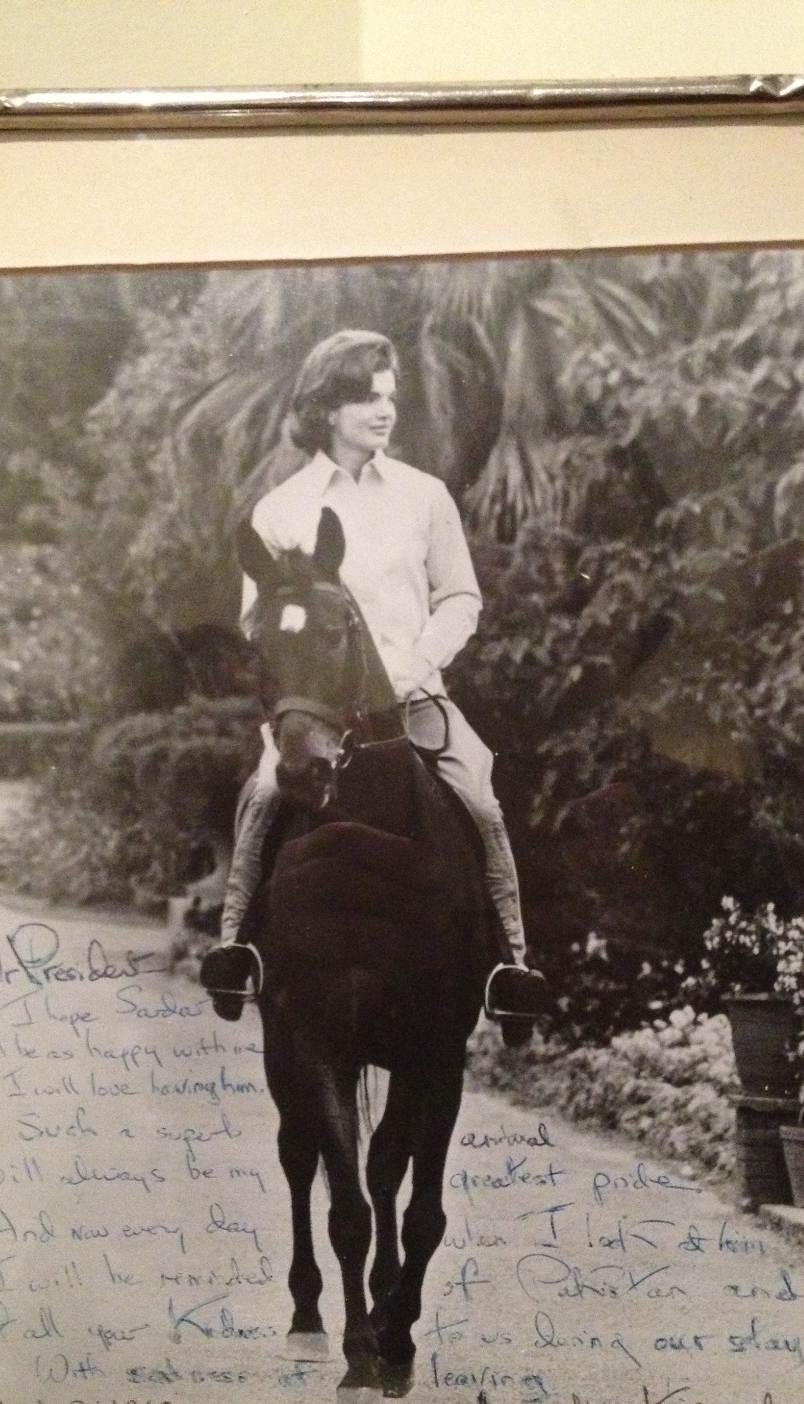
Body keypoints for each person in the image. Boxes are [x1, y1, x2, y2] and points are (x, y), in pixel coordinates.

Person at [202, 329, 548, 1025]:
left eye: (389, 397)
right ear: (326, 409)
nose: (385, 411)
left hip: (416, 703)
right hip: (316, 717)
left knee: (481, 802)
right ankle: (234, 950)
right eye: (366, 399)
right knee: (264, 797)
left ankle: (510, 967)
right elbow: (255, 620)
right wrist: (300, 692)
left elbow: (461, 597)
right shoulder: (280, 510)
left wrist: (413, 667)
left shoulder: (424, 496)